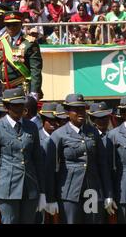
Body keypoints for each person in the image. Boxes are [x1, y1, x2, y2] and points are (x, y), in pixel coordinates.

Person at [46, 94, 116, 224]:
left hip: (92, 190)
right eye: (76, 110)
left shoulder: (93, 132)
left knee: (93, 221)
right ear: (68, 111)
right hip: (69, 192)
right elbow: (51, 169)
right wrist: (51, 198)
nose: (80, 113)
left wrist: (108, 193)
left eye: (82, 109)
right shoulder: (59, 135)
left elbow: (102, 164)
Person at [0, 88, 46, 224]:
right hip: (7, 189)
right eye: (14, 105)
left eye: (21, 104)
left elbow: (38, 161)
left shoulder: (31, 127)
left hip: (30, 188)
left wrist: (42, 192)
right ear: (6, 107)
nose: (18, 108)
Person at [0, 11, 42, 101]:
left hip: (22, 88)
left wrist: (34, 92)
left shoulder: (30, 43)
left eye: (15, 24)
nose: (11, 28)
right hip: (4, 89)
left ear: (21, 24)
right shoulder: (0, 42)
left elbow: (36, 70)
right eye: (8, 25)